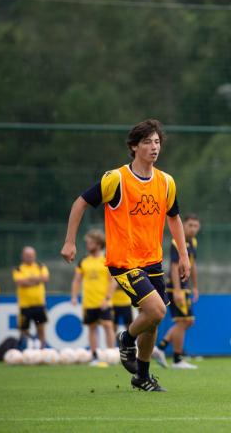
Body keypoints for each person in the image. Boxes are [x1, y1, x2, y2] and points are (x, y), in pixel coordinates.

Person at [60, 119, 190, 392]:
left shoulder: (166, 182)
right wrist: (70, 242)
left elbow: (175, 219)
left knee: (153, 321)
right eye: (147, 142)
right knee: (156, 310)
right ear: (134, 147)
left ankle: (142, 377)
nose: (154, 147)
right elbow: (80, 202)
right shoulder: (116, 179)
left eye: (157, 142)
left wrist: (184, 256)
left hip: (152, 260)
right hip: (124, 261)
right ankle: (125, 338)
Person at [153, 213, 201, 369]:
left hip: (185, 287)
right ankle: (177, 359)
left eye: (195, 226)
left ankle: (160, 348)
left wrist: (195, 286)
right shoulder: (176, 242)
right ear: (183, 226)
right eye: (190, 225)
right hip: (175, 287)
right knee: (183, 321)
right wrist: (178, 291)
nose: (193, 229)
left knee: (188, 321)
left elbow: (192, 265)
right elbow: (174, 267)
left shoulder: (193, 242)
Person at [71, 229, 116, 365]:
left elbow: (113, 281)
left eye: (90, 242)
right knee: (91, 327)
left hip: (104, 301)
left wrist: (107, 298)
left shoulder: (107, 260)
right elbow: (77, 280)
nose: (87, 245)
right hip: (89, 302)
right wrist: (74, 296)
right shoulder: (83, 261)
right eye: (87, 242)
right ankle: (94, 355)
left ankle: (111, 354)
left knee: (108, 326)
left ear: (98, 244)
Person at [13, 246, 49, 349]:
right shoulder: (18, 269)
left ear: (35, 256)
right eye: (27, 255)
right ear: (23, 256)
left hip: (39, 304)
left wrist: (29, 280)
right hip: (25, 306)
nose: (29, 257)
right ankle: (27, 347)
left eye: (31, 255)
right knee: (24, 329)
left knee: (41, 328)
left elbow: (45, 278)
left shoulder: (40, 266)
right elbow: (20, 282)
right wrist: (37, 280)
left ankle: (42, 349)